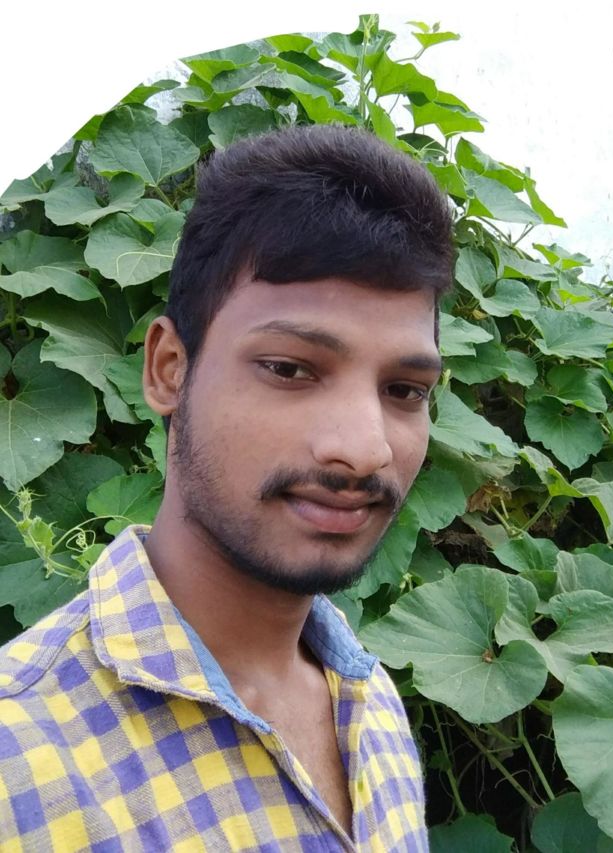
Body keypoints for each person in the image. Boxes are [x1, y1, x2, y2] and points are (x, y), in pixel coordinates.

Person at [0, 124, 452, 851]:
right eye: (290, 369)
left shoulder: (371, 704)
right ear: (169, 369)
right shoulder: (18, 757)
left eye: (405, 390)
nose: (365, 448)